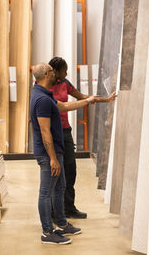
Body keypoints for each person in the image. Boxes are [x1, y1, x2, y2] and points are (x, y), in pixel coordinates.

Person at [30, 63, 96, 245]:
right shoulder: (42, 99)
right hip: (48, 153)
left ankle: (61, 223)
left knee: (60, 187)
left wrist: (89, 100)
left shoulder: (45, 94)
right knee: (46, 192)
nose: (56, 74)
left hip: (56, 150)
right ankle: (47, 233)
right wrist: (52, 158)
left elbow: (64, 106)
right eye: (52, 71)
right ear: (45, 74)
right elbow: (44, 131)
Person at [49, 57, 116, 219]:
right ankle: (53, 212)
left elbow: (83, 97)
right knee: (54, 174)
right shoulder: (45, 86)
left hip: (65, 132)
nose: (66, 73)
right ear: (56, 71)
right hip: (51, 133)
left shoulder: (65, 83)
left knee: (70, 171)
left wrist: (106, 99)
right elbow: (61, 106)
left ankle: (69, 208)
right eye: (64, 70)